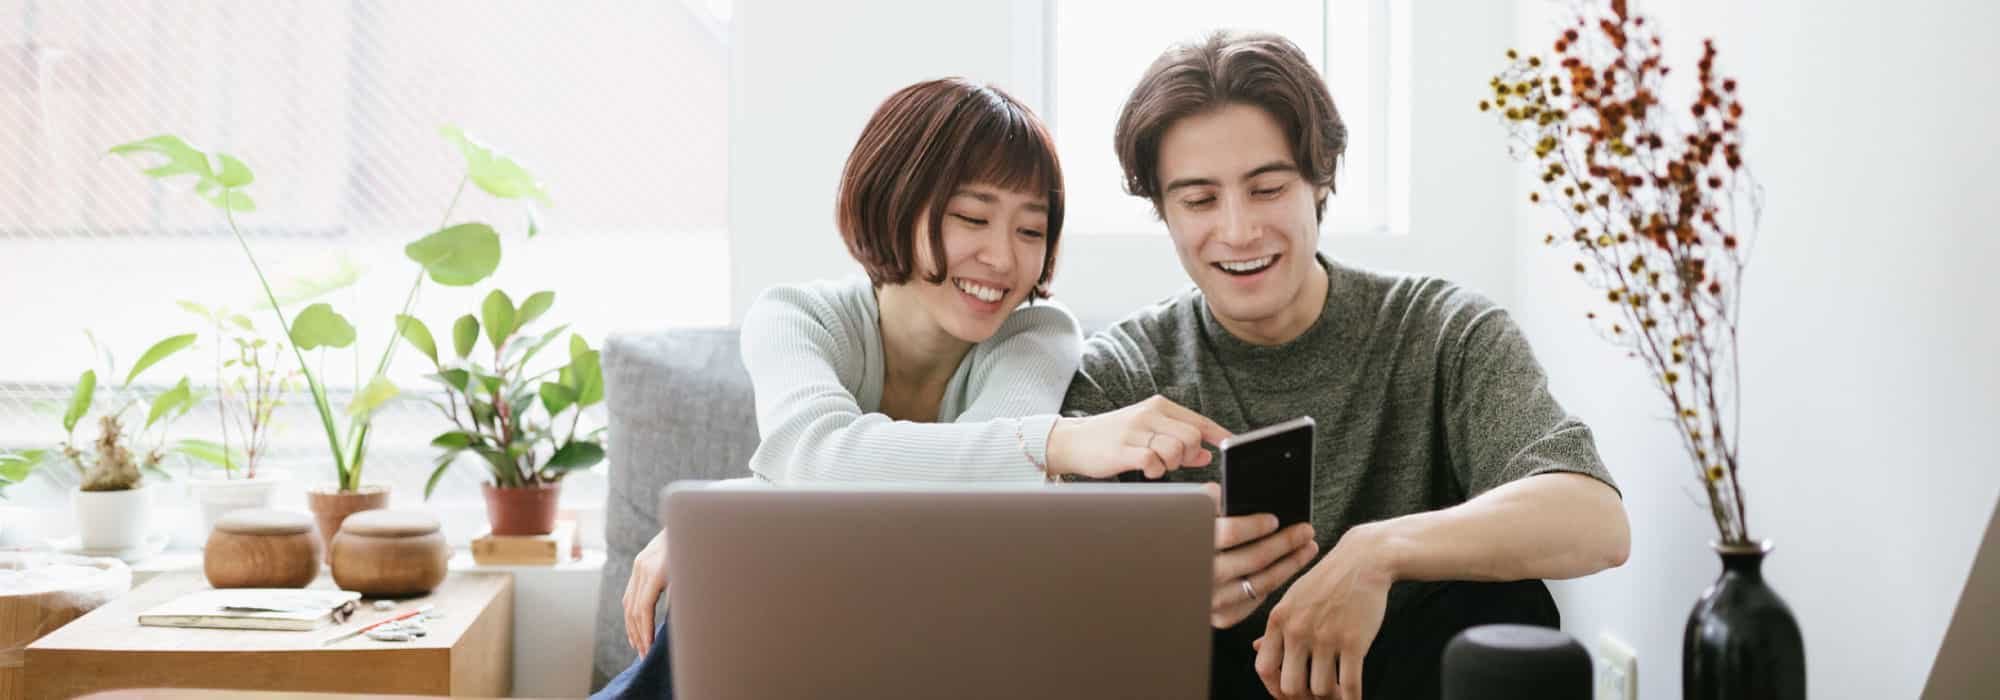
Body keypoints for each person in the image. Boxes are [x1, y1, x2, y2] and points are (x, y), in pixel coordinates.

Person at [597, 77, 1229, 700]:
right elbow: (819, 458)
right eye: (972, 218)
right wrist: (1059, 443)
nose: (1003, 260)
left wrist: (742, 503)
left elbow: (953, 523)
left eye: (1030, 231)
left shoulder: (1036, 332)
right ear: (893, 202)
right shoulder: (796, 318)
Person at [1060, 31, 1632, 700]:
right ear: (1163, 210)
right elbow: (1043, 586)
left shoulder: (1443, 331)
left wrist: (1377, 553)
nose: (1239, 230)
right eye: (1198, 201)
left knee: (1498, 614)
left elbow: (1595, 519)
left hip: (1409, 676)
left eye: (1267, 188)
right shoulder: (1123, 374)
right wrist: (1158, 582)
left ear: (1321, 178)